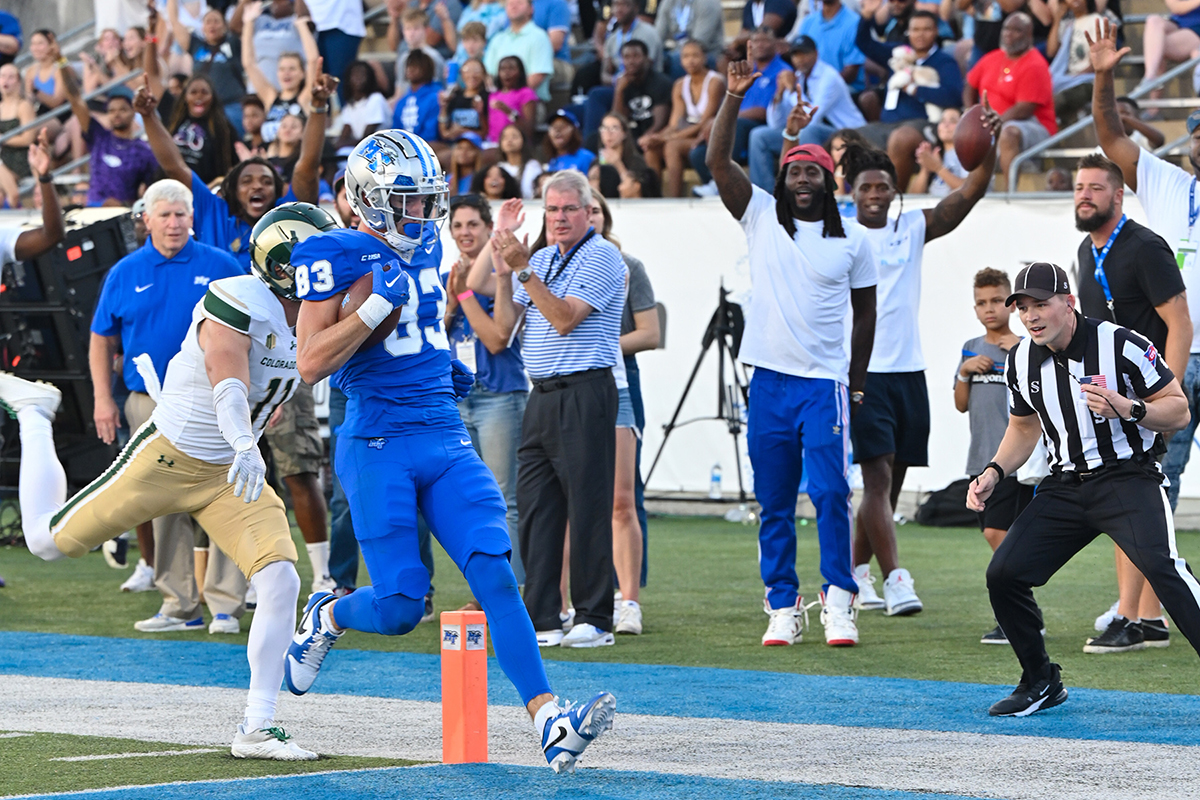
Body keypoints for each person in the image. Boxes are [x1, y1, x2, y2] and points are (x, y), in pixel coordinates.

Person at [284, 130, 617, 773]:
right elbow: (310, 361)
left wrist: (442, 365)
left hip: (442, 428)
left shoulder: (432, 242)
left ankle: (547, 716)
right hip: (378, 439)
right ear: (371, 200)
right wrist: (374, 306)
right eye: (408, 201)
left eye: (426, 200)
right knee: (404, 605)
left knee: (495, 570)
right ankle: (328, 615)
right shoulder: (332, 252)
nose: (422, 215)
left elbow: (424, 325)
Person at [3, 201, 340, 760]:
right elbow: (226, 381)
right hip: (172, 458)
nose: (333, 265)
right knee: (44, 542)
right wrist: (243, 440)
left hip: (229, 474)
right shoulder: (238, 296)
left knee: (281, 581)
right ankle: (36, 415)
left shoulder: (311, 309)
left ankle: (256, 727)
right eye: (318, 255)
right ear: (286, 265)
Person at [966, 262, 1200, 717]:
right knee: (1004, 574)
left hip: (1128, 477)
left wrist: (1128, 408)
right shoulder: (1020, 358)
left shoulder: (1122, 344)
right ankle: (1040, 682)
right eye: (1024, 308)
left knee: (1161, 567)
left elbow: (1178, 410)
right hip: (1065, 485)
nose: (1031, 316)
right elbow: (1023, 426)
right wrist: (994, 470)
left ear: (1069, 303)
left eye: (1041, 304)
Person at [707, 60, 878, 648]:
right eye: (794, 170)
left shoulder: (854, 240)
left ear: (829, 181)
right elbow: (715, 161)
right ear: (781, 179)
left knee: (831, 493)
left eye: (813, 170)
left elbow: (867, 314)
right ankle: (782, 603)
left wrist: (855, 383)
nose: (803, 177)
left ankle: (839, 601)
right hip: (770, 384)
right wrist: (733, 96)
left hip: (824, 385)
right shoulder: (759, 216)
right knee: (774, 501)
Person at [838, 110, 999, 617]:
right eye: (866, 186)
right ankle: (898, 582)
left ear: (895, 189)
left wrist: (987, 145)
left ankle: (852, 577)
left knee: (892, 483)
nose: (876, 194)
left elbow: (969, 192)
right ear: (851, 191)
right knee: (879, 481)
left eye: (884, 186)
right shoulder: (838, 232)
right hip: (862, 372)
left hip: (909, 371)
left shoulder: (911, 227)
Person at [89, 179, 247, 634]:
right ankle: (179, 605)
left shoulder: (222, 264)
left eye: (181, 214)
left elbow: (251, 332)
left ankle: (225, 606)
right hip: (147, 402)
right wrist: (103, 397)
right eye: (165, 215)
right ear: (146, 219)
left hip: (211, 398)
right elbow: (102, 338)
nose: (174, 223)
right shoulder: (124, 271)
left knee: (224, 495)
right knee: (161, 502)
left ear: (192, 217)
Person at [1089, 17, 1200, 642]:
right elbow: (1108, 134)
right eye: (1199, 136)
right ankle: (1143, 613)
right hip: (1167, 360)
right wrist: (1105, 78)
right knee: (1150, 487)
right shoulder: (1166, 183)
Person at [482, 169, 626, 650]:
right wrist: (506, 273)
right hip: (540, 392)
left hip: (585, 390)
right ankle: (543, 614)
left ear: (589, 212)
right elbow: (503, 327)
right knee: (538, 508)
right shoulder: (542, 256)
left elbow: (564, 318)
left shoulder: (603, 254)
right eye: (553, 209)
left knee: (587, 505)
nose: (560, 217)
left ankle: (594, 617)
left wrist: (523, 271)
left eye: (569, 209)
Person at [1070, 152, 1191, 653]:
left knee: (1131, 500)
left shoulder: (1143, 246)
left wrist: (1170, 398)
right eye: (1080, 187)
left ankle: (1132, 616)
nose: (1084, 195)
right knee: (1127, 499)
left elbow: (1181, 323)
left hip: (1148, 398)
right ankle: (1149, 615)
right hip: (1112, 400)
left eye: (1096, 188)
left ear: (1119, 196)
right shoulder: (1084, 249)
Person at [443, 195, 530, 585]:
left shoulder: (502, 274)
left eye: (473, 224)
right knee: (472, 503)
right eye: (458, 225)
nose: (464, 232)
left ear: (488, 228)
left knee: (503, 500)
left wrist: (462, 296)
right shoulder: (447, 274)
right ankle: (485, 591)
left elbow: (498, 341)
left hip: (500, 396)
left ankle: (513, 592)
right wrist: (448, 307)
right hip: (460, 398)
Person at [593, 193, 660, 635]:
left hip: (619, 379)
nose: (586, 217)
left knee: (623, 497)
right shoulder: (548, 264)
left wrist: (594, 348)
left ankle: (628, 596)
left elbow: (650, 333)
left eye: (595, 209)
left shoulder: (628, 265)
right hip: (564, 386)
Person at [955, 268, 1031, 644]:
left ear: (1012, 303)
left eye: (997, 301)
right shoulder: (971, 348)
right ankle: (1019, 606)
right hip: (978, 460)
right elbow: (960, 405)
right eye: (982, 303)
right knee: (996, 533)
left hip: (1012, 462)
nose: (990, 309)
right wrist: (965, 372)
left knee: (996, 532)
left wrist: (1017, 354)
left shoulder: (1026, 345)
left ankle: (1018, 605)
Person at [856, 9, 964, 188]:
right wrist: (866, 17)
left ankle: (891, 200)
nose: (920, 34)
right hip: (887, 125)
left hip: (922, 124)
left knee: (901, 138)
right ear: (908, 32)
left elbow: (954, 96)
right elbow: (864, 43)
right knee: (847, 139)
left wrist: (915, 89)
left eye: (926, 29)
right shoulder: (898, 53)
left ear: (936, 31)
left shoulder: (944, 62)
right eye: (915, 29)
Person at [748, 36, 866, 192]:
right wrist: (778, 95)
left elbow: (812, 118)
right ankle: (767, 194)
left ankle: (815, 191)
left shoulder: (829, 76)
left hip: (846, 132)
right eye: (795, 55)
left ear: (816, 54)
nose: (799, 59)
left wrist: (791, 90)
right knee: (759, 135)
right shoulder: (797, 77)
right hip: (818, 131)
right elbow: (775, 124)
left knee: (808, 132)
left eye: (804, 54)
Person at [690, 27, 787, 196]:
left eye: (765, 40)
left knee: (736, 125)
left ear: (775, 44)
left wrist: (726, 119)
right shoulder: (748, 68)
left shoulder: (783, 71)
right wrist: (716, 121)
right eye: (756, 41)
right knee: (698, 152)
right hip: (740, 123)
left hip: (765, 125)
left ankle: (719, 183)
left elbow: (766, 112)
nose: (760, 45)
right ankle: (719, 188)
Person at [964, 13, 1056, 187]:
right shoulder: (992, 57)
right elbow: (969, 85)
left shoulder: (1035, 63)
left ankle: (1011, 192)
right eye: (1006, 28)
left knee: (1008, 133)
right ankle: (972, 191)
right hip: (992, 122)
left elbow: (1024, 109)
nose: (1009, 33)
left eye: (1017, 30)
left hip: (1034, 125)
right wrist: (971, 113)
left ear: (1029, 35)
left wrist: (992, 124)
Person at [60, 66, 156, 207]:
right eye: (111, 110)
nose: (116, 114)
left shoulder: (143, 151)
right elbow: (75, 101)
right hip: (93, 212)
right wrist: (61, 63)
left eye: (122, 109)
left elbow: (152, 191)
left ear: (133, 111)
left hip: (122, 215)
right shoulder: (99, 136)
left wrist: (125, 206)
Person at [641, 40, 722, 198]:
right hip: (686, 136)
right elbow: (675, 123)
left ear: (705, 58)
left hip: (707, 138)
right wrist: (658, 137)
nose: (690, 60)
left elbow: (704, 122)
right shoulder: (679, 85)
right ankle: (654, 199)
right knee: (651, 149)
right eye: (685, 56)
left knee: (672, 146)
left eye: (695, 55)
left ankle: (674, 200)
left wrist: (668, 138)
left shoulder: (715, 82)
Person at [239, 2, 319, 143]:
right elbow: (249, 64)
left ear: (302, 74)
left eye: (292, 69)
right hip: (271, 160)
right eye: (282, 69)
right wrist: (248, 23)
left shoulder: (305, 98)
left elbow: (313, 61)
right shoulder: (270, 97)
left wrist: (302, 27)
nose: (286, 73)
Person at [168, 0, 247, 133]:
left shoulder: (234, 43)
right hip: (205, 109)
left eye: (216, 21)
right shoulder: (196, 45)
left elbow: (238, 24)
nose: (212, 25)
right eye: (208, 22)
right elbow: (175, 21)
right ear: (202, 27)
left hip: (231, 106)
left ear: (224, 26)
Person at [484, 0, 555, 104]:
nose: (514, 6)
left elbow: (538, 76)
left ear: (531, 9)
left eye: (519, 3)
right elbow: (488, 74)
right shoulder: (497, 39)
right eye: (510, 4)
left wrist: (512, 98)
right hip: (497, 101)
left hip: (529, 103)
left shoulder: (539, 37)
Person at [230, 0, 306, 91]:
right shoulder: (260, 20)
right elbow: (234, 27)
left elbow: (305, 18)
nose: (276, 4)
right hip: (259, 89)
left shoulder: (296, 22)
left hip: (290, 90)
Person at [793, 0, 866, 92]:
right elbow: (800, 62)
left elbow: (851, 73)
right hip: (811, 87)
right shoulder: (808, 22)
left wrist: (821, 86)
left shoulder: (855, 23)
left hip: (845, 88)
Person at [332, 61, 392, 154]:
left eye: (363, 74)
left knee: (343, 153)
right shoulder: (350, 105)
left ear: (370, 78)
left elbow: (367, 138)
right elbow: (345, 134)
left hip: (381, 149)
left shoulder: (376, 99)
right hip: (361, 149)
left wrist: (341, 144)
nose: (359, 78)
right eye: (355, 75)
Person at [656, 0, 726, 78]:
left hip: (706, 53)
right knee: (654, 56)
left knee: (676, 60)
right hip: (676, 51)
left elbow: (698, 42)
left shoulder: (708, 2)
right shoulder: (668, 2)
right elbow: (657, 37)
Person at [908, 106, 967, 196]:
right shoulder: (935, 154)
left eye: (953, 121)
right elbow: (913, 196)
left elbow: (968, 189)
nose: (946, 125)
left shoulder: (968, 153)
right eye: (942, 121)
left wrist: (938, 168)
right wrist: (925, 169)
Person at [391, 8, 448, 99]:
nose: (411, 33)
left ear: (426, 30)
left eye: (416, 28)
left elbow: (439, 89)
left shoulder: (433, 57)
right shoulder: (402, 59)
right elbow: (399, 91)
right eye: (408, 29)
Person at [393, 50, 443, 145]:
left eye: (416, 66)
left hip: (428, 147)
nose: (410, 69)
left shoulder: (436, 97)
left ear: (427, 68)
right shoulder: (401, 102)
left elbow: (431, 133)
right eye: (408, 66)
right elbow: (395, 132)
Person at [489, 55, 539, 144]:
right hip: (493, 143)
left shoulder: (526, 93)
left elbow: (529, 129)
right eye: (502, 69)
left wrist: (508, 111)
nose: (506, 73)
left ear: (520, 72)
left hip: (517, 144)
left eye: (511, 69)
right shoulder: (494, 95)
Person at [439, 57, 489, 142]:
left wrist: (464, 131)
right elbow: (445, 133)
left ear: (484, 74)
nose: (472, 75)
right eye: (467, 71)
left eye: (476, 71)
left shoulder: (488, 97)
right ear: (461, 74)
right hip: (454, 145)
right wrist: (443, 107)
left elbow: (485, 134)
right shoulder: (454, 97)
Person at [496, 122, 543, 197]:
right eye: (505, 137)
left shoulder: (533, 165)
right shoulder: (499, 168)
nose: (509, 140)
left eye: (514, 137)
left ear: (523, 141)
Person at [542, 109, 597, 173]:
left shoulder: (586, 157)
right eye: (554, 127)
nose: (558, 131)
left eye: (563, 126)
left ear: (574, 131)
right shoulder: (552, 160)